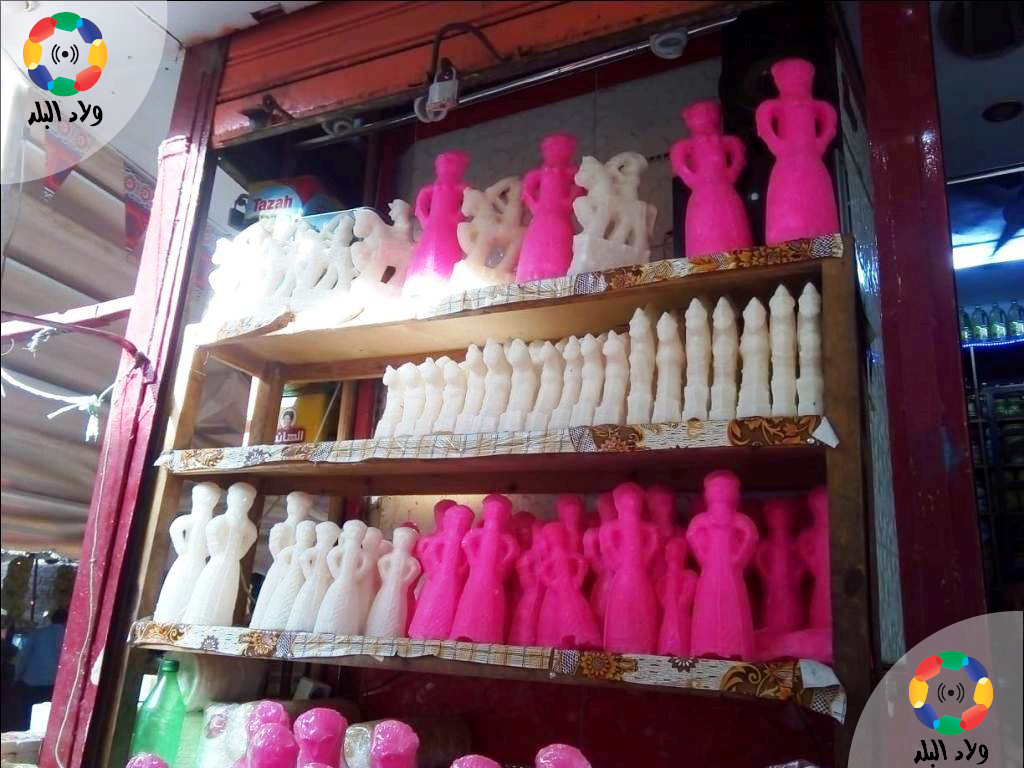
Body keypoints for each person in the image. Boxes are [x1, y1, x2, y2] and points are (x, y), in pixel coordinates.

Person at [12, 607, 68, 731]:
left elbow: (23, 657)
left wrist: (17, 677)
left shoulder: (39, 634)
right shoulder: (69, 637)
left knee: (27, 717)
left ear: (52, 619)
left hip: (32, 683)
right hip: (54, 686)